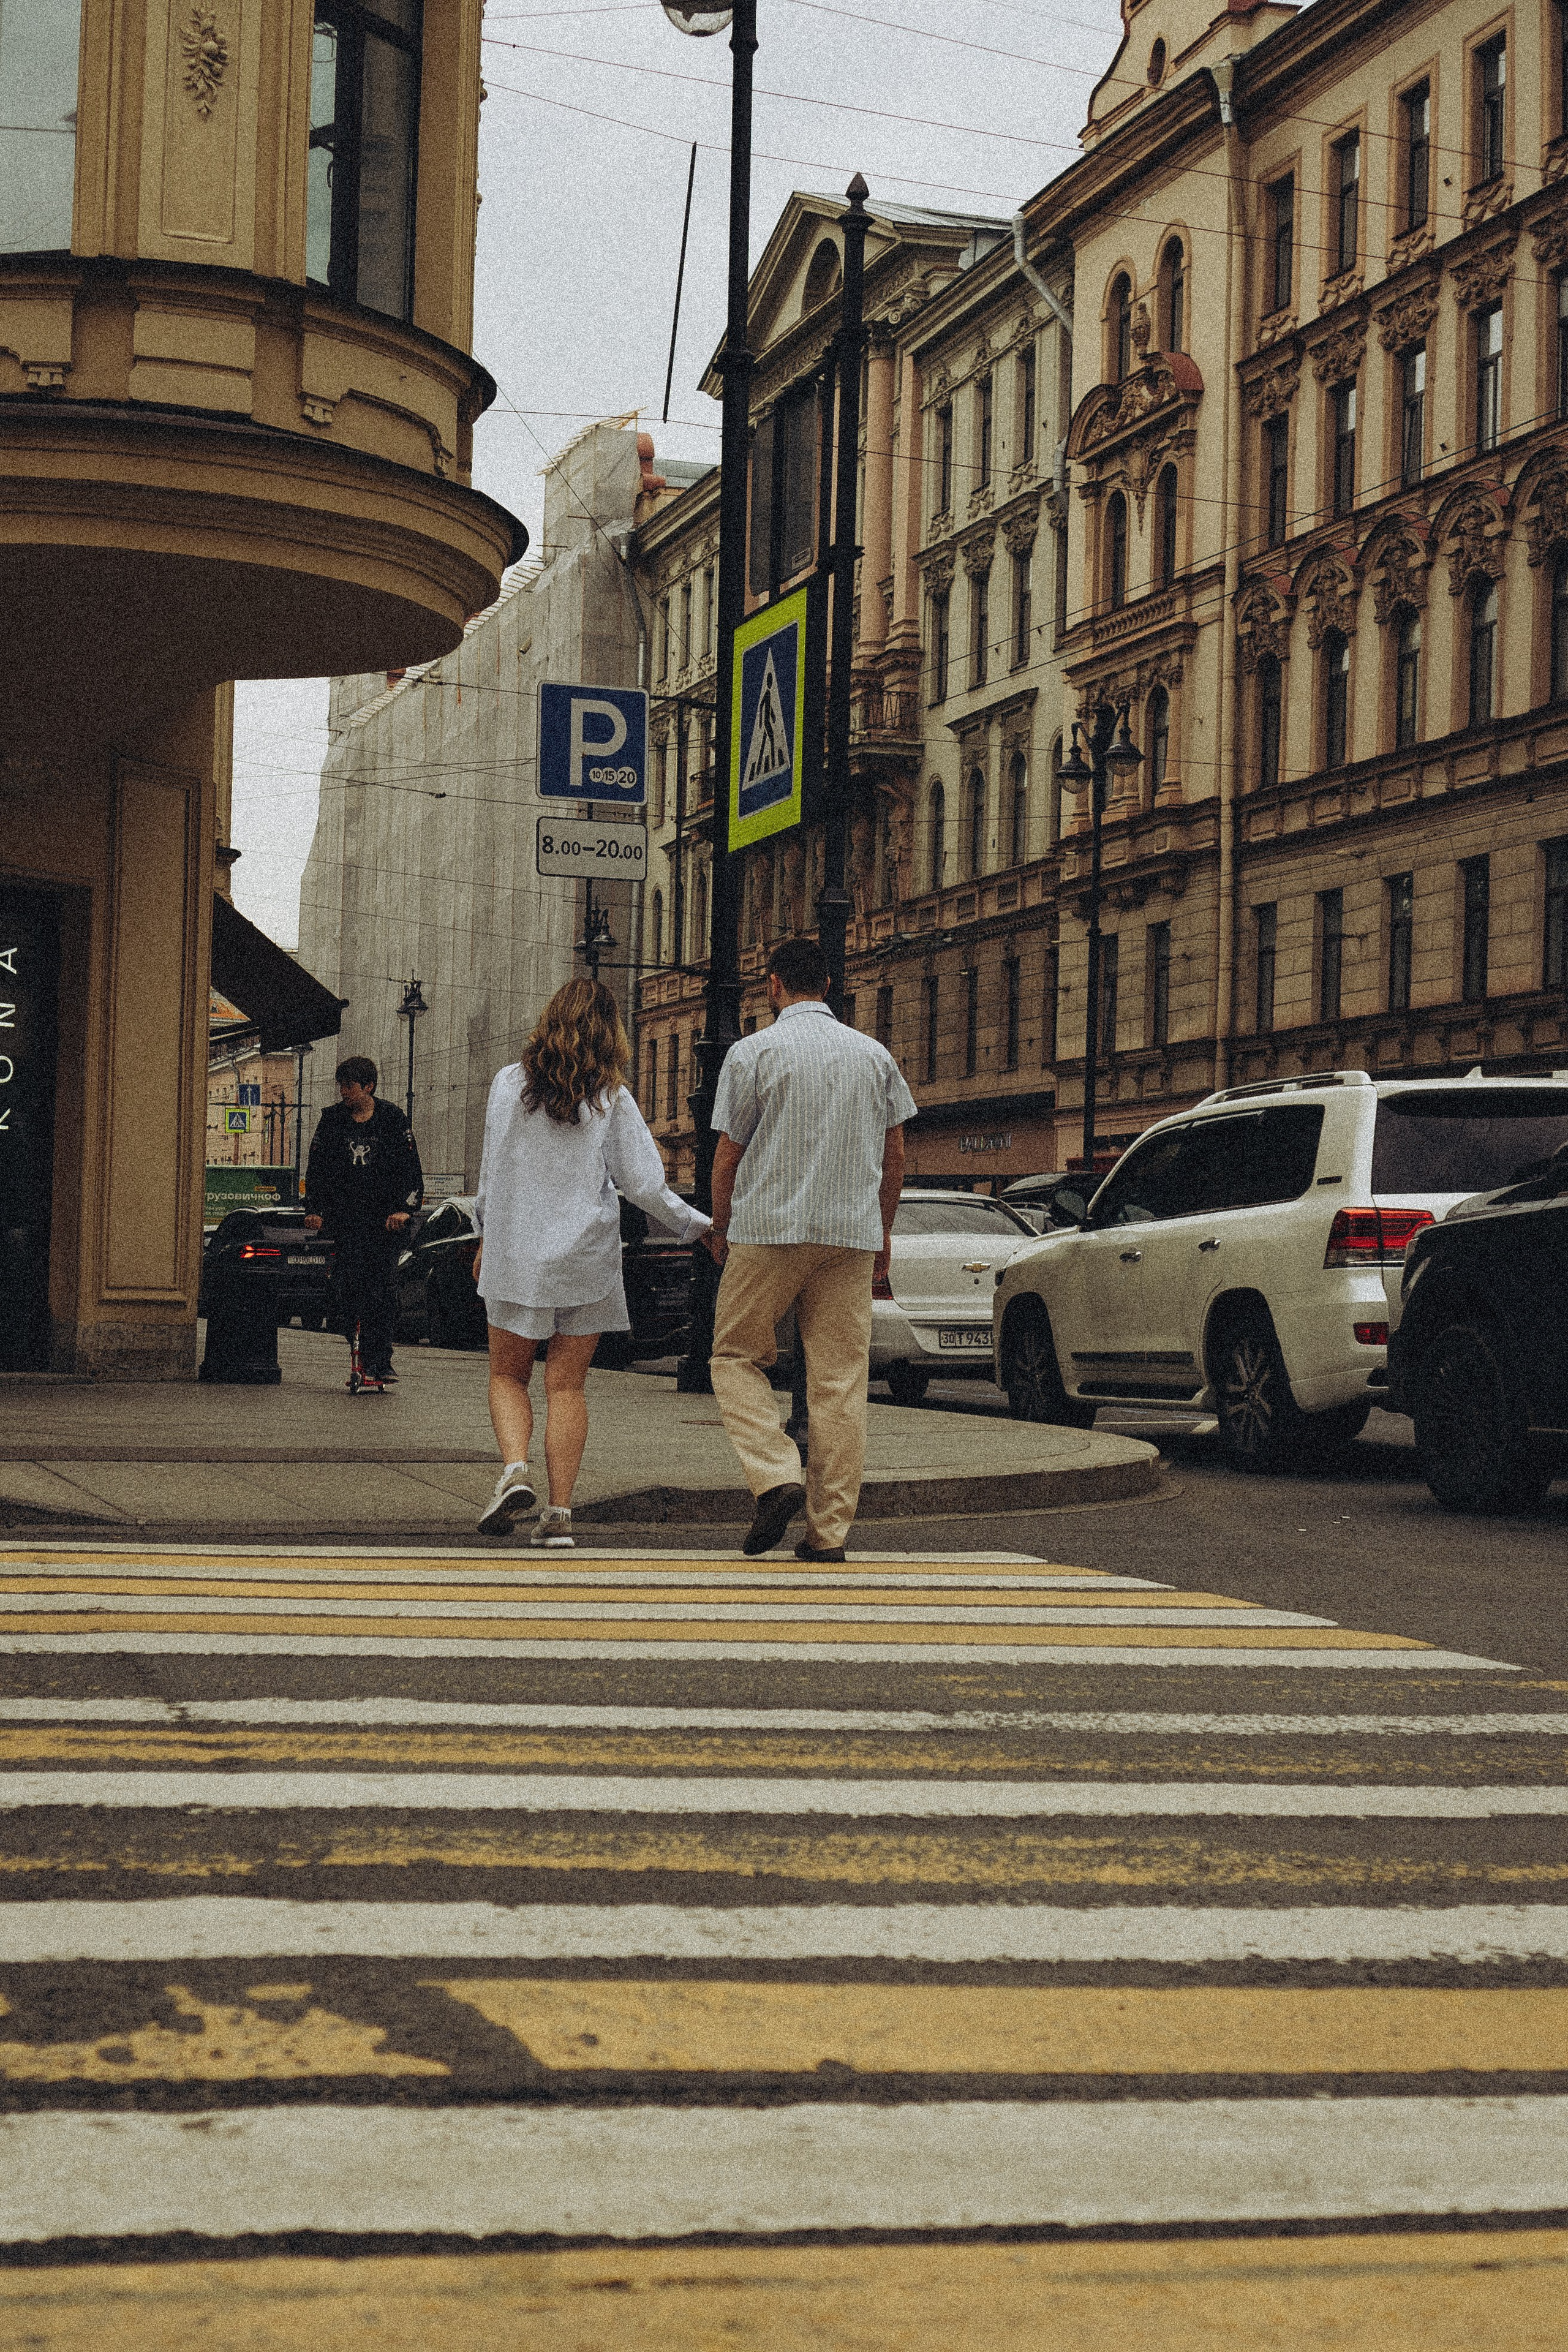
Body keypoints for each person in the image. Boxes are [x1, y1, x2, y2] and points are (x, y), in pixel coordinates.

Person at [473, 977, 709, 1545]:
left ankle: (515, 1470)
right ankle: (559, 1515)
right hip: (586, 1258)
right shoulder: (611, 1098)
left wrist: (484, 1235)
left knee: (508, 1375)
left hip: (517, 1252)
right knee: (567, 1387)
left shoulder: (508, 1084)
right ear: (611, 1033)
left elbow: (491, 1172)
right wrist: (698, 1226)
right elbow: (644, 1184)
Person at [706, 935, 915, 1561]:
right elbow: (895, 1156)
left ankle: (775, 1476)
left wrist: (721, 1226)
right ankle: (828, 1535)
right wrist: (882, 1232)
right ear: (828, 986)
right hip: (849, 1235)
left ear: (773, 986)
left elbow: (727, 1155)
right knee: (840, 1381)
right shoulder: (874, 1056)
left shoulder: (752, 1053)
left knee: (735, 1356)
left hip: (767, 1229)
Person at [304, 1057, 424, 1391]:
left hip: (383, 1223)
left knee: (381, 1289)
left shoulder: (392, 1119)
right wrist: (314, 1209)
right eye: (341, 1086)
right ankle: (356, 1342)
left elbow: (410, 1168)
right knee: (342, 1290)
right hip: (344, 1220)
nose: (343, 1092)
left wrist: (405, 1209)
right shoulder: (332, 1120)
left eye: (349, 1086)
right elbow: (317, 1168)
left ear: (368, 1087)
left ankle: (380, 1360)